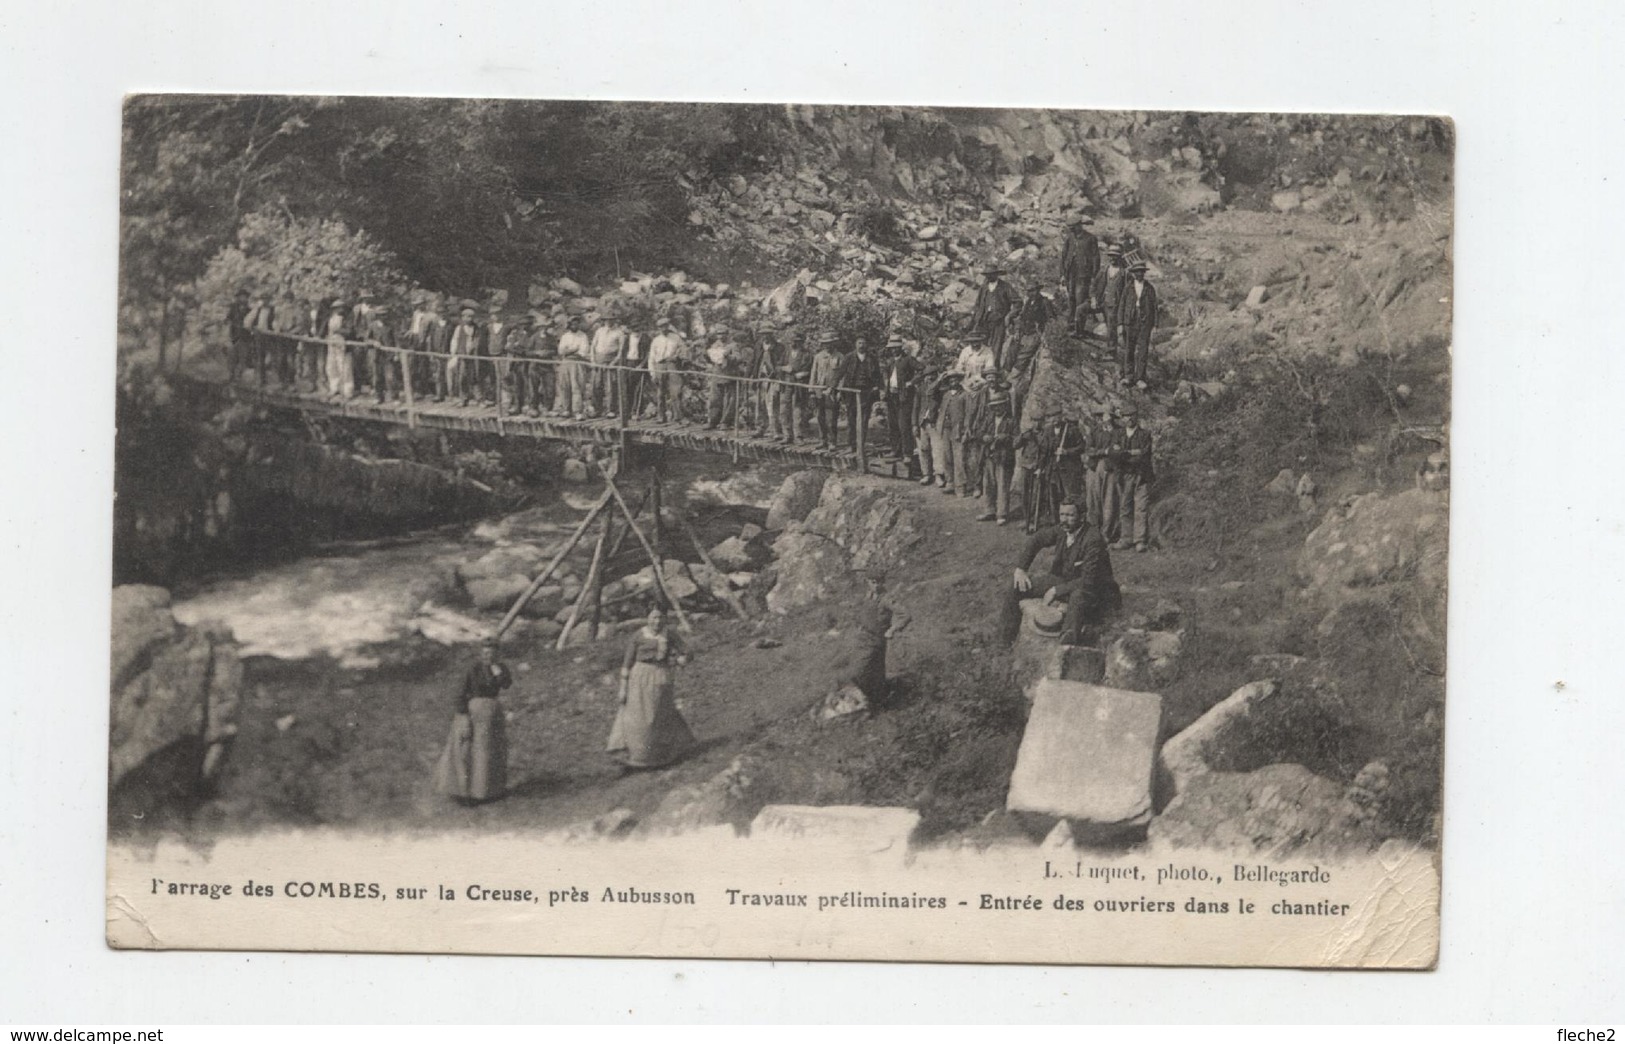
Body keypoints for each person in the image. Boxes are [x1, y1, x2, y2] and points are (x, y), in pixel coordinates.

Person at [998, 499, 1121, 647]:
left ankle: (1066, 646)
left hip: (1095, 589)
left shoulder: (1093, 539)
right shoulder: (1062, 529)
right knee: (1016, 585)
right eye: (1062, 514)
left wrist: (1056, 590)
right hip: (1064, 581)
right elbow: (1036, 539)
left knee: (1078, 596)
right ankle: (1004, 642)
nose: (1064, 520)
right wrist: (1020, 569)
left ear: (1082, 517)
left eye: (1070, 515)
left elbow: (1089, 579)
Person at [606, 607, 696, 770]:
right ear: (647, 618)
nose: (657, 621)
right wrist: (623, 687)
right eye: (653, 618)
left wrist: (680, 660)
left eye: (660, 618)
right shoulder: (639, 635)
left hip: (661, 677)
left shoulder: (669, 634)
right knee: (637, 716)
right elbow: (627, 662)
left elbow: (687, 651)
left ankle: (662, 757)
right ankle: (635, 757)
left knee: (659, 714)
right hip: (639, 676)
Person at [433, 636, 513, 803]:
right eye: (485, 653)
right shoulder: (474, 669)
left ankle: (488, 791)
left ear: (497, 655)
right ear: (480, 654)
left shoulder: (500, 668)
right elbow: (462, 692)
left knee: (490, 751)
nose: (488, 657)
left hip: (492, 714)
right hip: (474, 712)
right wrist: (463, 715)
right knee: (469, 750)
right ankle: (465, 792)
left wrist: (498, 672)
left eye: (492, 653)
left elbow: (506, 684)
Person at [1110, 401, 1154, 552]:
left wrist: (1123, 453)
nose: (1128, 418)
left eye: (1131, 415)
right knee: (1125, 507)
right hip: (1124, 476)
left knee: (1141, 507)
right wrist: (1129, 453)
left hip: (1141, 474)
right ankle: (1126, 539)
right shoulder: (1117, 434)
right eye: (1125, 416)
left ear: (1136, 417)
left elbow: (1143, 455)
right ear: (1121, 418)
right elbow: (1113, 454)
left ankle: (1140, 540)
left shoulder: (1145, 434)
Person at [834, 334, 883, 454]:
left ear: (867, 345)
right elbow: (840, 373)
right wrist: (833, 387)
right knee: (851, 418)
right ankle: (851, 445)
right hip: (851, 392)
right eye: (859, 343)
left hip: (866, 392)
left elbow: (878, 375)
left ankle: (861, 444)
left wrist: (881, 388)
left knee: (864, 419)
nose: (861, 345)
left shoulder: (872, 358)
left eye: (864, 343)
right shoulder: (849, 357)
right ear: (855, 345)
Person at [977, 386, 1018, 525]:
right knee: (988, 483)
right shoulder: (989, 419)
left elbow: (1017, 439)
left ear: (1005, 405)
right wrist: (984, 437)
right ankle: (989, 510)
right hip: (989, 455)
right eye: (994, 406)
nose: (997, 409)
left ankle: (1002, 513)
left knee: (1002, 485)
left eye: (1000, 406)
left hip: (1004, 456)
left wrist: (1005, 437)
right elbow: (979, 433)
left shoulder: (1011, 421)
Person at [882, 333, 920, 468]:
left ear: (901, 348)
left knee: (904, 425)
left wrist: (911, 382)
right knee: (893, 424)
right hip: (892, 396)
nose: (894, 350)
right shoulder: (890, 361)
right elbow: (887, 376)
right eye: (892, 348)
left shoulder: (909, 359)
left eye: (896, 348)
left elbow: (922, 370)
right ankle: (895, 450)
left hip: (904, 396)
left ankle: (907, 453)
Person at [970, 266, 1020, 369]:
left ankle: (993, 371)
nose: (989, 277)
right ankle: (980, 369)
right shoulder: (984, 287)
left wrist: (1009, 316)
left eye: (991, 274)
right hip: (984, 321)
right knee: (981, 346)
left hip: (999, 322)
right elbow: (978, 303)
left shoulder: (1005, 287)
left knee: (996, 347)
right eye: (987, 275)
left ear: (996, 274)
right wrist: (976, 317)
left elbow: (1018, 302)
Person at [1060, 216, 1101, 336]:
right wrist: (1062, 274)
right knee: (1071, 300)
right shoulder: (1070, 238)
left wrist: (1094, 275)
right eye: (1070, 228)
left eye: (1073, 228)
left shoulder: (1090, 238)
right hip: (1070, 275)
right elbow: (1064, 256)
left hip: (1083, 276)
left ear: (1079, 225)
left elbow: (1096, 257)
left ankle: (1079, 330)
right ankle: (1071, 325)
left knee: (1080, 301)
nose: (1072, 230)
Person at [1120, 258, 1158, 388]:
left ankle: (1140, 378)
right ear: (1133, 273)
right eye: (1136, 272)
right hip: (1130, 321)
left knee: (1142, 351)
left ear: (1144, 273)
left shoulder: (1149, 288)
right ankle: (1128, 376)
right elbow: (1122, 305)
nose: (1139, 274)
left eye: (1141, 271)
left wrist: (1155, 326)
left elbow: (1154, 307)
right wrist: (1120, 324)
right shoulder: (1128, 287)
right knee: (1129, 350)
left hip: (1145, 323)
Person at [771, 325, 811, 444]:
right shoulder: (786, 353)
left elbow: (811, 369)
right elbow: (777, 367)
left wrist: (804, 373)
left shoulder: (806, 354)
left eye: (797, 341)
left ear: (801, 342)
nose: (794, 343)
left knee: (798, 410)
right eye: (792, 341)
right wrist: (784, 368)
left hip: (799, 385)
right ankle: (787, 435)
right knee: (784, 409)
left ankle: (798, 436)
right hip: (786, 384)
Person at [1084, 401, 1117, 537]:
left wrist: (1102, 451)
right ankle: (1093, 530)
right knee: (1092, 500)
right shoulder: (1094, 431)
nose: (1100, 419)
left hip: (1109, 467)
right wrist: (1102, 451)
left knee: (1108, 500)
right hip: (1093, 467)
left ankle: (1106, 533)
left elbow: (1115, 449)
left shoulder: (1117, 431)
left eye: (1102, 416)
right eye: (1098, 416)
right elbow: (1089, 450)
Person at [588, 308, 629, 419]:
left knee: (611, 386)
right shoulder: (599, 331)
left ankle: (611, 410)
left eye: (611, 320)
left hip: (611, 360)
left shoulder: (619, 333)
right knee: (596, 385)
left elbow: (621, 351)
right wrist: (592, 360)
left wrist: (614, 362)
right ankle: (597, 409)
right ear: (604, 320)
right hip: (598, 360)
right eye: (607, 320)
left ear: (614, 321)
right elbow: (593, 346)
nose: (609, 322)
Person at [647, 315, 687, 424]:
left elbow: (683, 349)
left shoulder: (676, 338)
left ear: (668, 326)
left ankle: (679, 417)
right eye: (661, 327)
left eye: (665, 326)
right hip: (660, 365)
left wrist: (678, 356)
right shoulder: (656, 340)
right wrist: (652, 373)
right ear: (658, 328)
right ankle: (661, 416)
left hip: (672, 365)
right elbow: (651, 358)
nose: (663, 329)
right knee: (660, 393)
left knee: (676, 391)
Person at [809, 330, 843, 448]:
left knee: (831, 418)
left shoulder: (839, 356)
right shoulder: (818, 357)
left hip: (832, 391)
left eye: (829, 343)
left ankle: (832, 441)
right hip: (819, 390)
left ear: (833, 343)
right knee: (820, 417)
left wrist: (839, 391)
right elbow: (813, 374)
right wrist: (811, 391)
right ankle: (822, 440)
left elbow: (842, 376)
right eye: (825, 343)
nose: (827, 345)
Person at [1093, 243, 1130, 354]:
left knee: (1111, 328)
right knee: (1081, 310)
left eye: (1115, 256)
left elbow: (1128, 292)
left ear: (1119, 257)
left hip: (1114, 304)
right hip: (1102, 302)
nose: (1112, 258)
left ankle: (1111, 351)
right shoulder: (1105, 270)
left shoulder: (1125, 274)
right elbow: (1094, 285)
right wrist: (1094, 299)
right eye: (1111, 255)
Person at [1010, 285, 1052, 378]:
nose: (1031, 293)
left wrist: (1044, 334)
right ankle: (1005, 373)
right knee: (1012, 349)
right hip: (1025, 331)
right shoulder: (1028, 302)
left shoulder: (1044, 302)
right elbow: (1021, 317)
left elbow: (1050, 319)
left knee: (1024, 354)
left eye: (1033, 291)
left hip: (1036, 332)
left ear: (1038, 290)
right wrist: (1017, 330)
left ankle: (1014, 376)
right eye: (1029, 291)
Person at [703, 325, 741, 430]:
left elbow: (738, 359)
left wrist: (728, 356)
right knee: (714, 399)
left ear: (727, 334)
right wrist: (706, 353)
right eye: (718, 334)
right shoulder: (715, 345)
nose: (720, 336)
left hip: (729, 374)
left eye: (723, 333)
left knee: (729, 400)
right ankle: (712, 421)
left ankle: (725, 422)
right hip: (717, 374)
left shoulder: (733, 345)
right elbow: (710, 359)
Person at [935, 371, 967, 494]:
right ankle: (950, 482)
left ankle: (960, 486)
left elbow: (968, 413)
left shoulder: (964, 395)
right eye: (951, 380)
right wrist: (939, 379)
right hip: (945, 429)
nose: (953, 382)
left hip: (958, 429)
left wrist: (965, 430)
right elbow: (930, 393)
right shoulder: (946, 395)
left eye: (955, 380)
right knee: (946, 456)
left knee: (959, 458)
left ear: (959, 381)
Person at [445, 303, 481, 406]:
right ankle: (463, 398)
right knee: (462, 377)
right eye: (466, 317)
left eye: (471, 317)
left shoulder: (476, 328)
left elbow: (476, 340)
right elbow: (455, 340)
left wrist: (473, 349)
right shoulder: (459, 328)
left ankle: (479, 398)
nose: (469, 319)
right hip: (462, 355)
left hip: (473, 356)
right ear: (463, 317)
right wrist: (453, 352)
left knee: (474, 376)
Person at [554, 315, 590, 418]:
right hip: (566, 363)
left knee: (577, 386)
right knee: (565, 385)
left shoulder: (583, 336)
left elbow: (583, 351)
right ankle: (566, 409)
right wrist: (573, 350)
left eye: (577, 324)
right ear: (569, 325)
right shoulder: (565, 336)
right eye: (573, 324)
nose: (575, 325)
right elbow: (561, 351)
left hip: (577, 363)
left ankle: (577, 410)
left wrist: (569, 351)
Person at [364, 303, 399, 404]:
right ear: (377, 316)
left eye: (385, 314)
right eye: (381, 314)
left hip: (389, 355)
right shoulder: (372, 326)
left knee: (390, 377)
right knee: (377, 377)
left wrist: (396, 353)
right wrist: (373, 342)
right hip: (377, 355)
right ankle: (379, 397)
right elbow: (367, 339)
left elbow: (396, 340)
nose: (384, 316)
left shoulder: (390, 326)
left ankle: (394, 397)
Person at [323, 297, 354, 398]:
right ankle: (334, 388)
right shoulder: (331, 318)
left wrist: (338, 331)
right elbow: (325, 330)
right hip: (332, 344)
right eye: (336, 308)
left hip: (343, 344)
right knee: (331, 367)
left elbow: (350, 331)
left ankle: (347, 390)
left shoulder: (348, 318)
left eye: (340, 308)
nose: (339, 310)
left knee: (344, 368)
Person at [225, 288, 252, 383]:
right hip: (234, 336)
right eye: (241, 297)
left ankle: (238, 377)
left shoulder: (250, 310)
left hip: (245, 337)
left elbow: (252, 323)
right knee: (232, 357)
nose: (243, 298)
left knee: (242, 358)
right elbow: (227, 319)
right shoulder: (233, 308)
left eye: (245, 297)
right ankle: (231, 376)